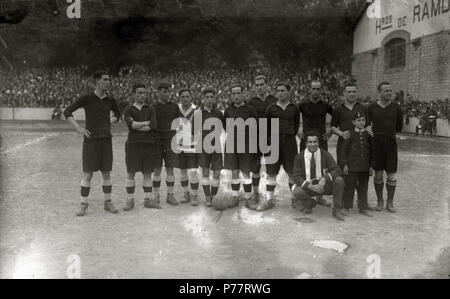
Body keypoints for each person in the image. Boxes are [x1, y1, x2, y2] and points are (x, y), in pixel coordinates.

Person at [63, 70, 121, 216]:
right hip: (91, 141)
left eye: (109, 80)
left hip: (106, 140)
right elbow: (67, 112)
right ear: (98, 82)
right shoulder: (86, 98)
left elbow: (118, 115)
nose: (108, 82)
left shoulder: (110, 100)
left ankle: (108, 203)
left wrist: (108, 121)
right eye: (105, 80)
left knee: (106, 173)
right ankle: (83, 204)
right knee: (88, 174)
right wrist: (78, 128)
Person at [259, 81, 300, 211]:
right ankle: (269, 199)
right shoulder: (271, 108)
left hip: (289, 143)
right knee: (271, 173)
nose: (280, 93)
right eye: (278, 91)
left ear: (289, 92)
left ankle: (295, 199)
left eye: (283, 90)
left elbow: (296, 125)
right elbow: (265, 128)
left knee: (292, 173)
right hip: (274, 143)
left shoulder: (294, 108)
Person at [291, 131, 346, 221]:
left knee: (339, 180)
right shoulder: (299, 157)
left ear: (318, 143)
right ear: (306, 143)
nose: (313, 144)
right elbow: (296, 176)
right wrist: (311, 186)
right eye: (310, 142)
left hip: (323, 186)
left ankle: (336, 208)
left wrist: (324, 179)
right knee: (297, 191)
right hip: (309, 187)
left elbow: (337, 169)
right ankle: (310, 203)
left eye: (315, 142)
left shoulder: (325, 154)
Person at [122, 83, 159, 210]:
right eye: (139, 93)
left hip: (148, 144)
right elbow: (131, 126)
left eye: (144, 92)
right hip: (133, 144)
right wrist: (145, 123)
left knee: (147, 173)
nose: (142, 95)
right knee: (131, 172)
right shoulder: (128, 109)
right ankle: (129, 200)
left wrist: (138, 126)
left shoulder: (150, 109)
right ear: (134, 94)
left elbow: (152, 126)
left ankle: (147, 200)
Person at [367, 82, 403, 213]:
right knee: (378, 173)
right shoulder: (371, 107)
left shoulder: (396, 107)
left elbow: (399, 126)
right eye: (386, 91)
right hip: (376, 144)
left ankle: (390, 202)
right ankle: (380, 201)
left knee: (392, 174)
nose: (389, 93)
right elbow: (366, 123)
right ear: (379, 93)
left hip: (390, 143)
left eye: (390, 90)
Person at [298, 80, 333, 207]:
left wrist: (330, 132)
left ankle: (319, 197)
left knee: (322, 168)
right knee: (305, 167)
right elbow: (292, 116)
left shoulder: (325, 105)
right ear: (310, 89)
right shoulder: (302, 105)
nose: (316, 91)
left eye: (318, 89)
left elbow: (338, 117)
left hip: (321, 141)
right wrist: (298, 131)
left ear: (321, 90)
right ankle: (306, 197)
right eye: (313, 88)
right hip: (306, 141)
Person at [224, 84, 258, 207]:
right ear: (231, 96)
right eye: (234, 94)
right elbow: (225, 126)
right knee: (234, 171)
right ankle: (234, 197)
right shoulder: (228, 110)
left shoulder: (250, 110)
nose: (236, 96)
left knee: (246, 171)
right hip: (232, 143)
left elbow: (255, 126)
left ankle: (248, 197)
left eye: (239, 93)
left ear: (243, 94)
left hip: (247, 144)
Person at [247, 75, 277, 206]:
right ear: (254, 87)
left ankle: (270, 197)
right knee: (255, 168)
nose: (259, 87)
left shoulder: (274, 100)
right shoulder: (250, 102)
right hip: (255, 138)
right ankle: (255, 193)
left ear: (267, 85)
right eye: (257, 85)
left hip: (271, 137)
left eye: (262, 84)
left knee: (271, 168)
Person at [152, 81, 183, 206]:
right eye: (165, 91)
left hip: (171, 140)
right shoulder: (152, 107)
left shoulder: (174, 106)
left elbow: (180, 121)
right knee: (157, 170)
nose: (167, 94)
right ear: (158, 93)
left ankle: (170, 195)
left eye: (169, 91)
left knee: (170, 169)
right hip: (157, 141)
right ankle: (156, 196)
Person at [195, 87, 225, 207]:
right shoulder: (198, 114)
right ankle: (208, 197)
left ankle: (213, 196)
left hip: (216, 146)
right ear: (202, 99)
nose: (209, 99)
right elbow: (193, 132)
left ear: (214, 99)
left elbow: (226, 127)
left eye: (211, 97)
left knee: (217, 173)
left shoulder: (218, 113)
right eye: (206, 97)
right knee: (205, 173)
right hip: (203, 146)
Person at [341, 112, 374, 217]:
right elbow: (344, 151)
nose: (361, 122)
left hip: (364, 167)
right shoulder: (349, 135)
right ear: (353, 122)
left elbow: (372, 151)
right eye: (358, 120)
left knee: (363, 187)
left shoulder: (368, 135)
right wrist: (345, 165)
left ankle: (363, 207)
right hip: (352, 167)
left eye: (363, 120)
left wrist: (371, 166)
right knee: (349, 187)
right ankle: (347, 207)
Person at [331, 82, 368, 171]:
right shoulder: (338, 109)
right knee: (344, 172)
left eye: (354, 91)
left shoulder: (363, 108)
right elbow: (333, 127)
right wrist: (341, 134)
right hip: (344, 144)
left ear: (357, 93)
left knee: (359, 172)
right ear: (344, 93)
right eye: (349, 92)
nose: (352, 94)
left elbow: (368, 125)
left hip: (359, 145)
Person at [176, 89, 200, 205]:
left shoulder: (198, 110)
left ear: (191, 97)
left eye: (187, 96)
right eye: (182, 97)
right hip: (180, 146)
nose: (185, 98)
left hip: (193, 146)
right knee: (183, 172)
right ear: (180, 98)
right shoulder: (176, 109)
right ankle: (186, 193)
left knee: (193, 171)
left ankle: (194, 195)